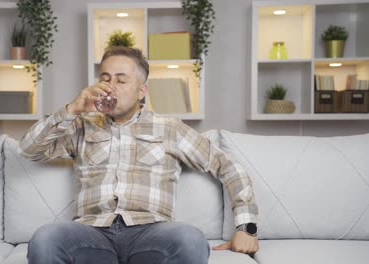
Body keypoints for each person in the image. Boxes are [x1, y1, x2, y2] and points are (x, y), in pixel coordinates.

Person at [19, 46, 259, 264]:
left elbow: (227, 166)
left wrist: (246, 228)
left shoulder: (169, 128)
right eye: (105, 78)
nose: (110, 87)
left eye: (121, 81)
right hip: (91, 232)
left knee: (190, 239)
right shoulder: (82, 126)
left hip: (151, 232)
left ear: (141, 90)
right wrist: (72, 109)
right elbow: (29, 149)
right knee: (45, 238)